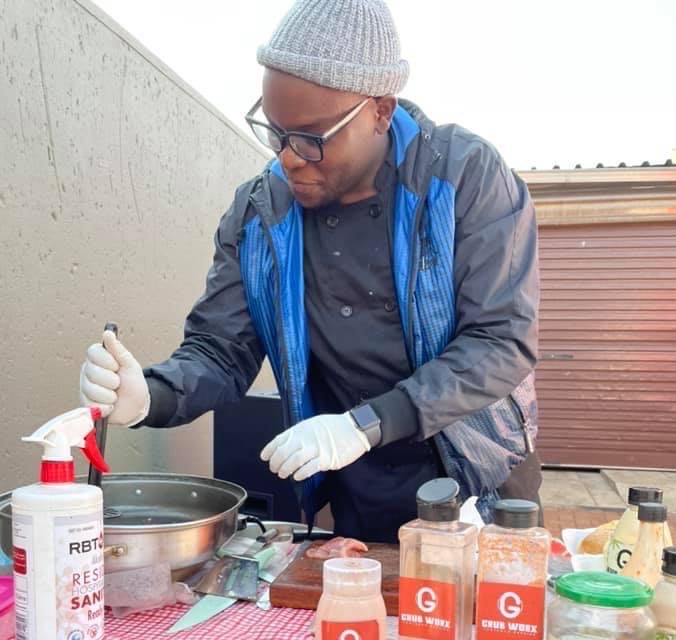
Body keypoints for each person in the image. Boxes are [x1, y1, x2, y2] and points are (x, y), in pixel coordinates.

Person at [79, 0, 542, 543]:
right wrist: (149, 395)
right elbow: (221, 350)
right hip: (356, 480)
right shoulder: (259, 211)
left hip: (478, 475)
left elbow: (500, 341)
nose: (288, 158)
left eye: (311, 138)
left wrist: (364, 424)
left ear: (381, 111)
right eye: (275, 133)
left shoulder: (463, 176)